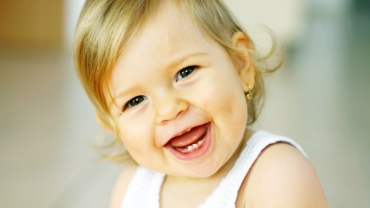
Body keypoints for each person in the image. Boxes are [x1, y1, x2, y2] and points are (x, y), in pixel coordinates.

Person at [74, 0, 328, 207]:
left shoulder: (276, 176)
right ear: (112, 125)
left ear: (241, 65)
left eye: (185, 72)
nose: (168, 110)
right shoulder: (130, 189)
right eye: (135, 100)